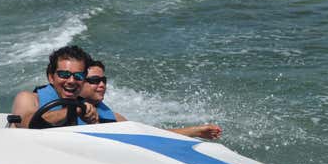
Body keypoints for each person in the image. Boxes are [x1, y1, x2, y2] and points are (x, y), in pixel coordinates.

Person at [81, 60, 223, 140]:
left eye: (103, 80)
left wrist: (195, 131)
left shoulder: (113, 117)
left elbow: (148, 136)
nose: (102, 85)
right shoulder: (62, 110)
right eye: (95, 80)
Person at [11, 45, 98, 128]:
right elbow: (26, 123)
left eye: (78, 76)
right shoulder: (27, 98)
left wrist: (93, 122)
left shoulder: (88, 108)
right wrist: (72, 111)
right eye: (64, 74)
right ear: (51, 77)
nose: (71, 81)